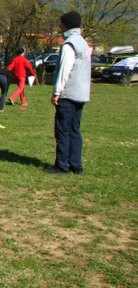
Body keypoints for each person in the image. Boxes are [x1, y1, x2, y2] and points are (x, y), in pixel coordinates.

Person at [45, 11, 91, 174]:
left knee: (62, 130)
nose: (58, 26)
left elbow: (64, 69)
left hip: (69, 93)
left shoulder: (69, 44)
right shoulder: (84, 44)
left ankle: (62, 165)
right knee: (74, 130)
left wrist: (57, 92)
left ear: (65, 25)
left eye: (60, 24)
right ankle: (75, 164)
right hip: (82, 93)